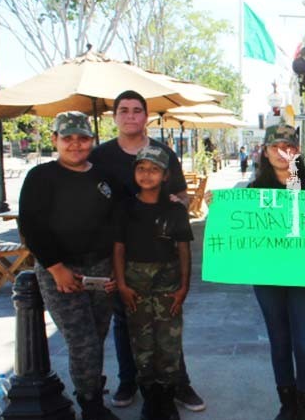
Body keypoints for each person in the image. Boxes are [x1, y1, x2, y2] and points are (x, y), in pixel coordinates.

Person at [89, 90, 206, 412]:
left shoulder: (163, 152)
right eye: (123, 110)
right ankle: (130, 381)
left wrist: (175, 207)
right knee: (125, 319)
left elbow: (182, 195)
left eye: (137, 110)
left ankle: (177, 384)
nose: (130, 116)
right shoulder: (100, 156)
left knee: (168, 322)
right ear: (115, 116)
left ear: (145, 116)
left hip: (162, 255)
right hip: (118, 249)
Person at [19, 112, 120, 420]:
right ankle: (91, 407)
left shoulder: (104, 177)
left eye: (83, 138)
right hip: (60, 270)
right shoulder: (40, 177)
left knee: (98, 336)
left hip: (100, 268)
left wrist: (115, 267)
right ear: (55, 140)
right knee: (82, 341)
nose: (76, 144)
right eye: (68, 138)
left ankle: (92, 394)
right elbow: (31, 226)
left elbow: (119, 221)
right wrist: (55, 267)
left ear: (91, 140)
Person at [247, 124, 305, 420]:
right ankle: (287, 404)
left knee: (304, 343)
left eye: (289, 147)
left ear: (298, 152)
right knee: (279, 342)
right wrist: (220, 210)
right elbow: (240, 232)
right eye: (275, 147)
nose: (282, 153)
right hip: (267, 277)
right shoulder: (253, 192)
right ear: (265, 152)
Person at [113, 145, 193, 420]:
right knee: (141, 344)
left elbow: (183, 249)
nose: (147, 175)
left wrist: (184, 286)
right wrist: (121, 285)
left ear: (166, 175)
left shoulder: (175, 209)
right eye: (141, 168)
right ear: (134, 171)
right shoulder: (125, 208)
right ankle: (150, 399)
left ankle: (168, 399)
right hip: (135, 285)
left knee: (168, 345)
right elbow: (118, 249)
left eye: (154, 169)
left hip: (168, 285)